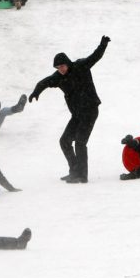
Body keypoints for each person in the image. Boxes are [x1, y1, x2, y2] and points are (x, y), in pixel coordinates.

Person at [29, 36, 110, 183]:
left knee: (80, 142)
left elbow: (95, 57)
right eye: (58, 68)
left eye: (62, 66)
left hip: (90, 110)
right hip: (78, 115)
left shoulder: (80, 66)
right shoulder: (58, 77)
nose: (60, 70)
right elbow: (44, 82)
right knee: (65, 141)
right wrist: (36, 92)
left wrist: (102, 45)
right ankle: (74, 171)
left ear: (67, 63)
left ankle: (82, 175)